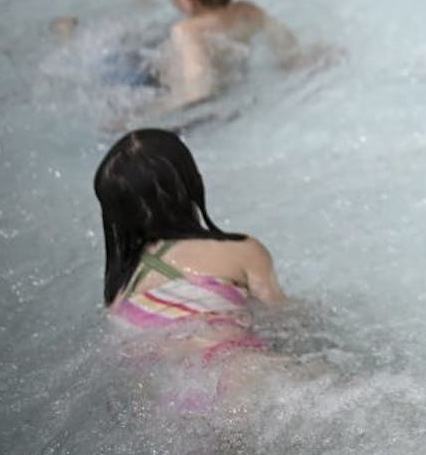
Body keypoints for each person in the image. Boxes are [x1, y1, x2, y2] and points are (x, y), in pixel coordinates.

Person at [95, 128, 286, 364]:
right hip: (241, 370)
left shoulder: (118, 297)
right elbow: (281, 322)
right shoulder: (240, 251)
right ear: (191, 182)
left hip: (172, 397)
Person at [154, 0, 301, 114]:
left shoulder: (187, 31)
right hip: (235, 85)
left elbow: (197, 83)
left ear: (186, 0)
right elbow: (286, 46)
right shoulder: (248, 11)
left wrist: (163, 111)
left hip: (205, 103)